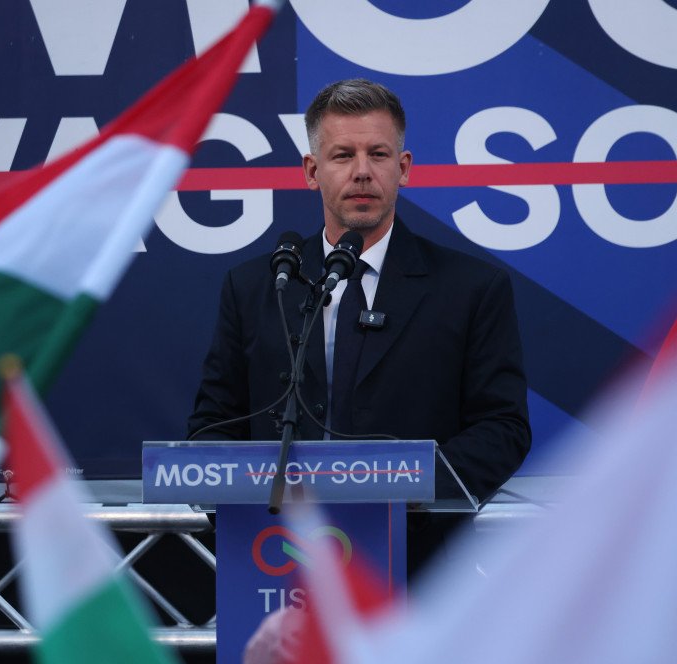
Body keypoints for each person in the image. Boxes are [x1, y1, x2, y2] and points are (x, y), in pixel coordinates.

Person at [187, 78, 530, 574]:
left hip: (420, 565)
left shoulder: (472, 288)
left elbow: (502, 429)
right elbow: (212, 427)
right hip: (277, 560)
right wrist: (255, 497)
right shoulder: (255, 287)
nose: (362, 172)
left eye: (379, 154)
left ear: (403, 168)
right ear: (312, 171)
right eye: (343, 155)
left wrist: (403, 487)